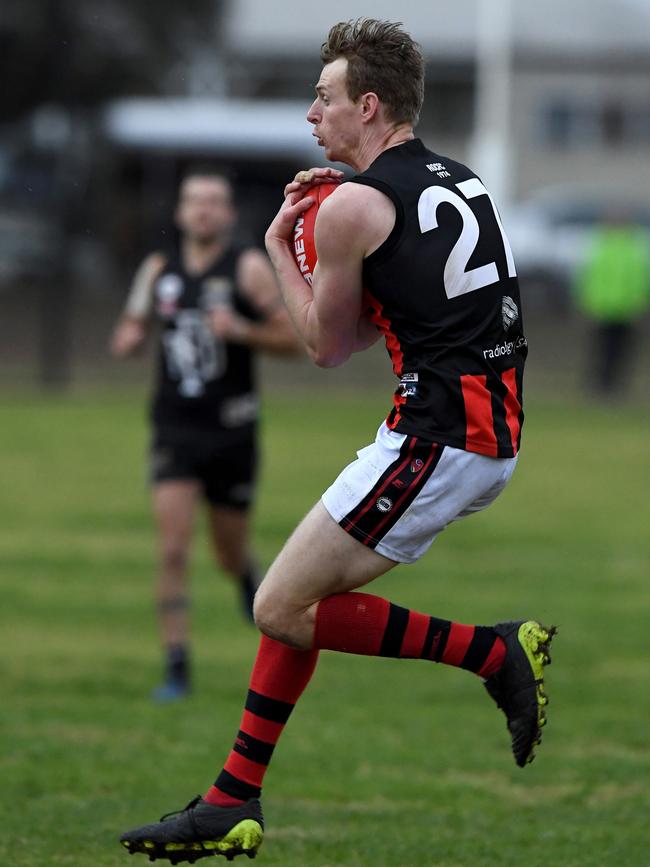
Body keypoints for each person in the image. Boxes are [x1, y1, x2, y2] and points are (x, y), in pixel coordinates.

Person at [119, 19, 555, 861]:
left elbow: (323, 346)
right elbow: (368, 331)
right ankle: (232, 798)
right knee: (291, 606)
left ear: (368, 103)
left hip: (437, 437)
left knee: (277, 605)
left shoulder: (353, 203)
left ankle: (493, 652)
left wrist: (281, 243)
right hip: (476, 432)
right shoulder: (458, 180)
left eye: (323, 98)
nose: (311, 115)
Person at [110, 167, 302, 702]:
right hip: (175, 428)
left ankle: (244, 577)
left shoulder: (246, 269)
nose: (202, 209)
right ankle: (177, 668)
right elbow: (132, 323)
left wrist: (241, 330)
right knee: (173, 549)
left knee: (226, 551)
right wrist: (127, 337)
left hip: (232, 432)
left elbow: (294, 340)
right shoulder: (157, 269)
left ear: (229, 214)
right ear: (180, 212)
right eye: (194, 200)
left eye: (213, 201)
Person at [574, 209, 650, 397]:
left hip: (625, 309)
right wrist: (587, 302)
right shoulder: (601, 245)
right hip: (603, 308)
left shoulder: (633, 248)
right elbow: (588, 277)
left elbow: (640, 279)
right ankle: (598, 384)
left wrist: (640, 302)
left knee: (621, 351)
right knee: (600, 349)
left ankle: (615, 386)